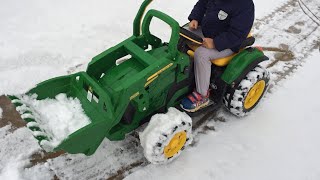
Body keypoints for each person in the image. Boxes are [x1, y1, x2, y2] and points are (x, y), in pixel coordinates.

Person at [181, 0, 255, 112]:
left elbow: (237, 34)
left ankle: (202, 95)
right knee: (181, 33)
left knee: (201, 54)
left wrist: (215, 43)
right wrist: (195, 18)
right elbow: (202, 3)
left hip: (228, 43)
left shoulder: (245, 5)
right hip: (207, 32)